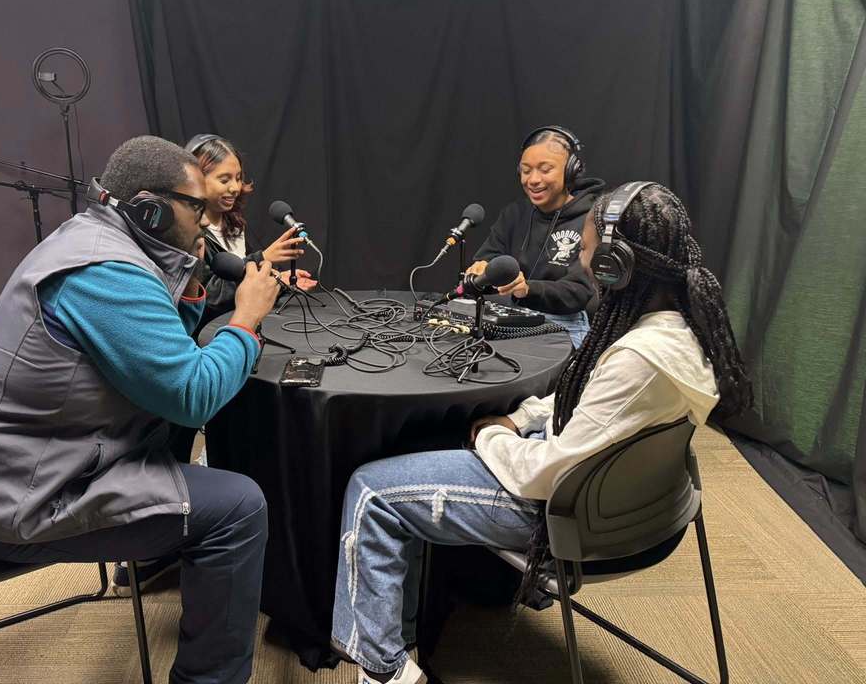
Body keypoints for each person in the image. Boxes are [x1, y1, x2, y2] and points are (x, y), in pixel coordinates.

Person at [330, 182, 753, 684]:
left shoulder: (638, 359)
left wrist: (491, 439)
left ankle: (384, 670)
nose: (584, 267)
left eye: (589, 255)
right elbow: (594, 398)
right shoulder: (683, 331)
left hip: (568, 518)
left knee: (372, 492)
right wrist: (520, 418)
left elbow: (546, 475)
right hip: (653, 510)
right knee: (441, 453)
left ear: (617, 265)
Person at [0, 136, 280, 684]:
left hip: (14, 467)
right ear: (150, 207)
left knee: (179, 448)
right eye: (196, 206)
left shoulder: (93, 238)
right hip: (14, 504)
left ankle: (161, 556)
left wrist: (187, 285)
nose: (205, 219)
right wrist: (247, 322)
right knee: (238, 507)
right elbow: (192, 397)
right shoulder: (105, 274)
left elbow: (156, 361)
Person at [467, 126, 605, 347]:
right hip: (510, 317)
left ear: (571, 171)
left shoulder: (591, 220)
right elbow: (488, 258)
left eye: (545, 169)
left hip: (564, 324)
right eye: (526, 170)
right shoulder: (515, 214)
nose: (533, 179)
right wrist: (481, 269)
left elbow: (579, 292)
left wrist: (528, 289)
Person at [185, 133, 317, 329]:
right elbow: (208, 298)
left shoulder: (234, 223)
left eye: (238, 178)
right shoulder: (189, 234)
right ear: (197, 179)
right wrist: (262, 258)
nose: (235, 187)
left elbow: (245, 281)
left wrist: (279, 280)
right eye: (224, 180)